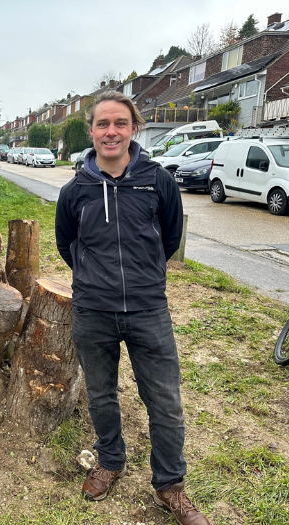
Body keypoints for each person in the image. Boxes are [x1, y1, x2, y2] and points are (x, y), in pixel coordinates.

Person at [55, 91, 210, 525]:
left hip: (148, 310)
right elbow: (67, 244)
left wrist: (142, 277)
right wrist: (94, 276)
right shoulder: (75, 190)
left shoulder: (157, 181)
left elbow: (171, 237)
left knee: (164, 400)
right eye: (103, 124)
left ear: (133, 128)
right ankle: (111, 461)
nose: (111, 132)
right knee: (101, 395)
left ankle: (170, 486)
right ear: (91, 132)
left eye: (119, 123)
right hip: (92, 310)